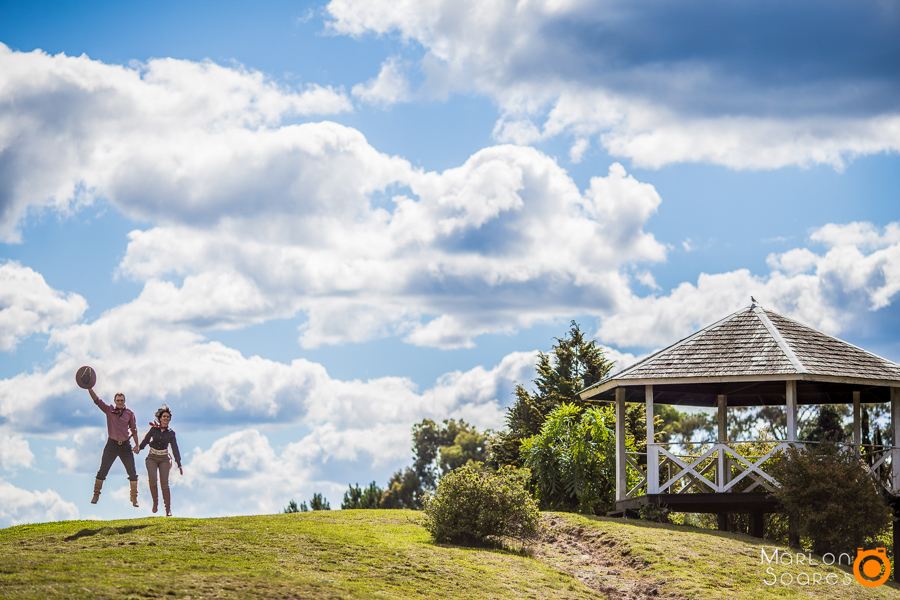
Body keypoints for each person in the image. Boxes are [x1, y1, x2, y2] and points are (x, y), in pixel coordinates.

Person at [87, 388, 141, 507]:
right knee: (102, 471)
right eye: (118, 400)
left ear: (124, 401)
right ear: (115, 401)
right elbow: (97, 400)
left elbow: (134, 429)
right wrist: (89, 387)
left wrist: (137, 445)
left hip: (125, 446)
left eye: (122, 400)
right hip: (111, 445)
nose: (120, 402)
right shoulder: (109, 410)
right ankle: (96, 494)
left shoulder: (130, 413)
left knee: (132, 472)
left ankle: (134, 498)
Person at [139, 404, 182, 516]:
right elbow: (146, 440)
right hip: (152, 457)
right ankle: (155, 503)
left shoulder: (171, 433)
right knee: (152, 480)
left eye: (168, 417)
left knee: (164, 483)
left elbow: (175, 448)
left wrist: (179, 463)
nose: (166, 418)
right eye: (164, 416)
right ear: (160, 418)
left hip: (164, 458)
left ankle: (168, 509)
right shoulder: (154, 429)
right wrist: (139, 448)